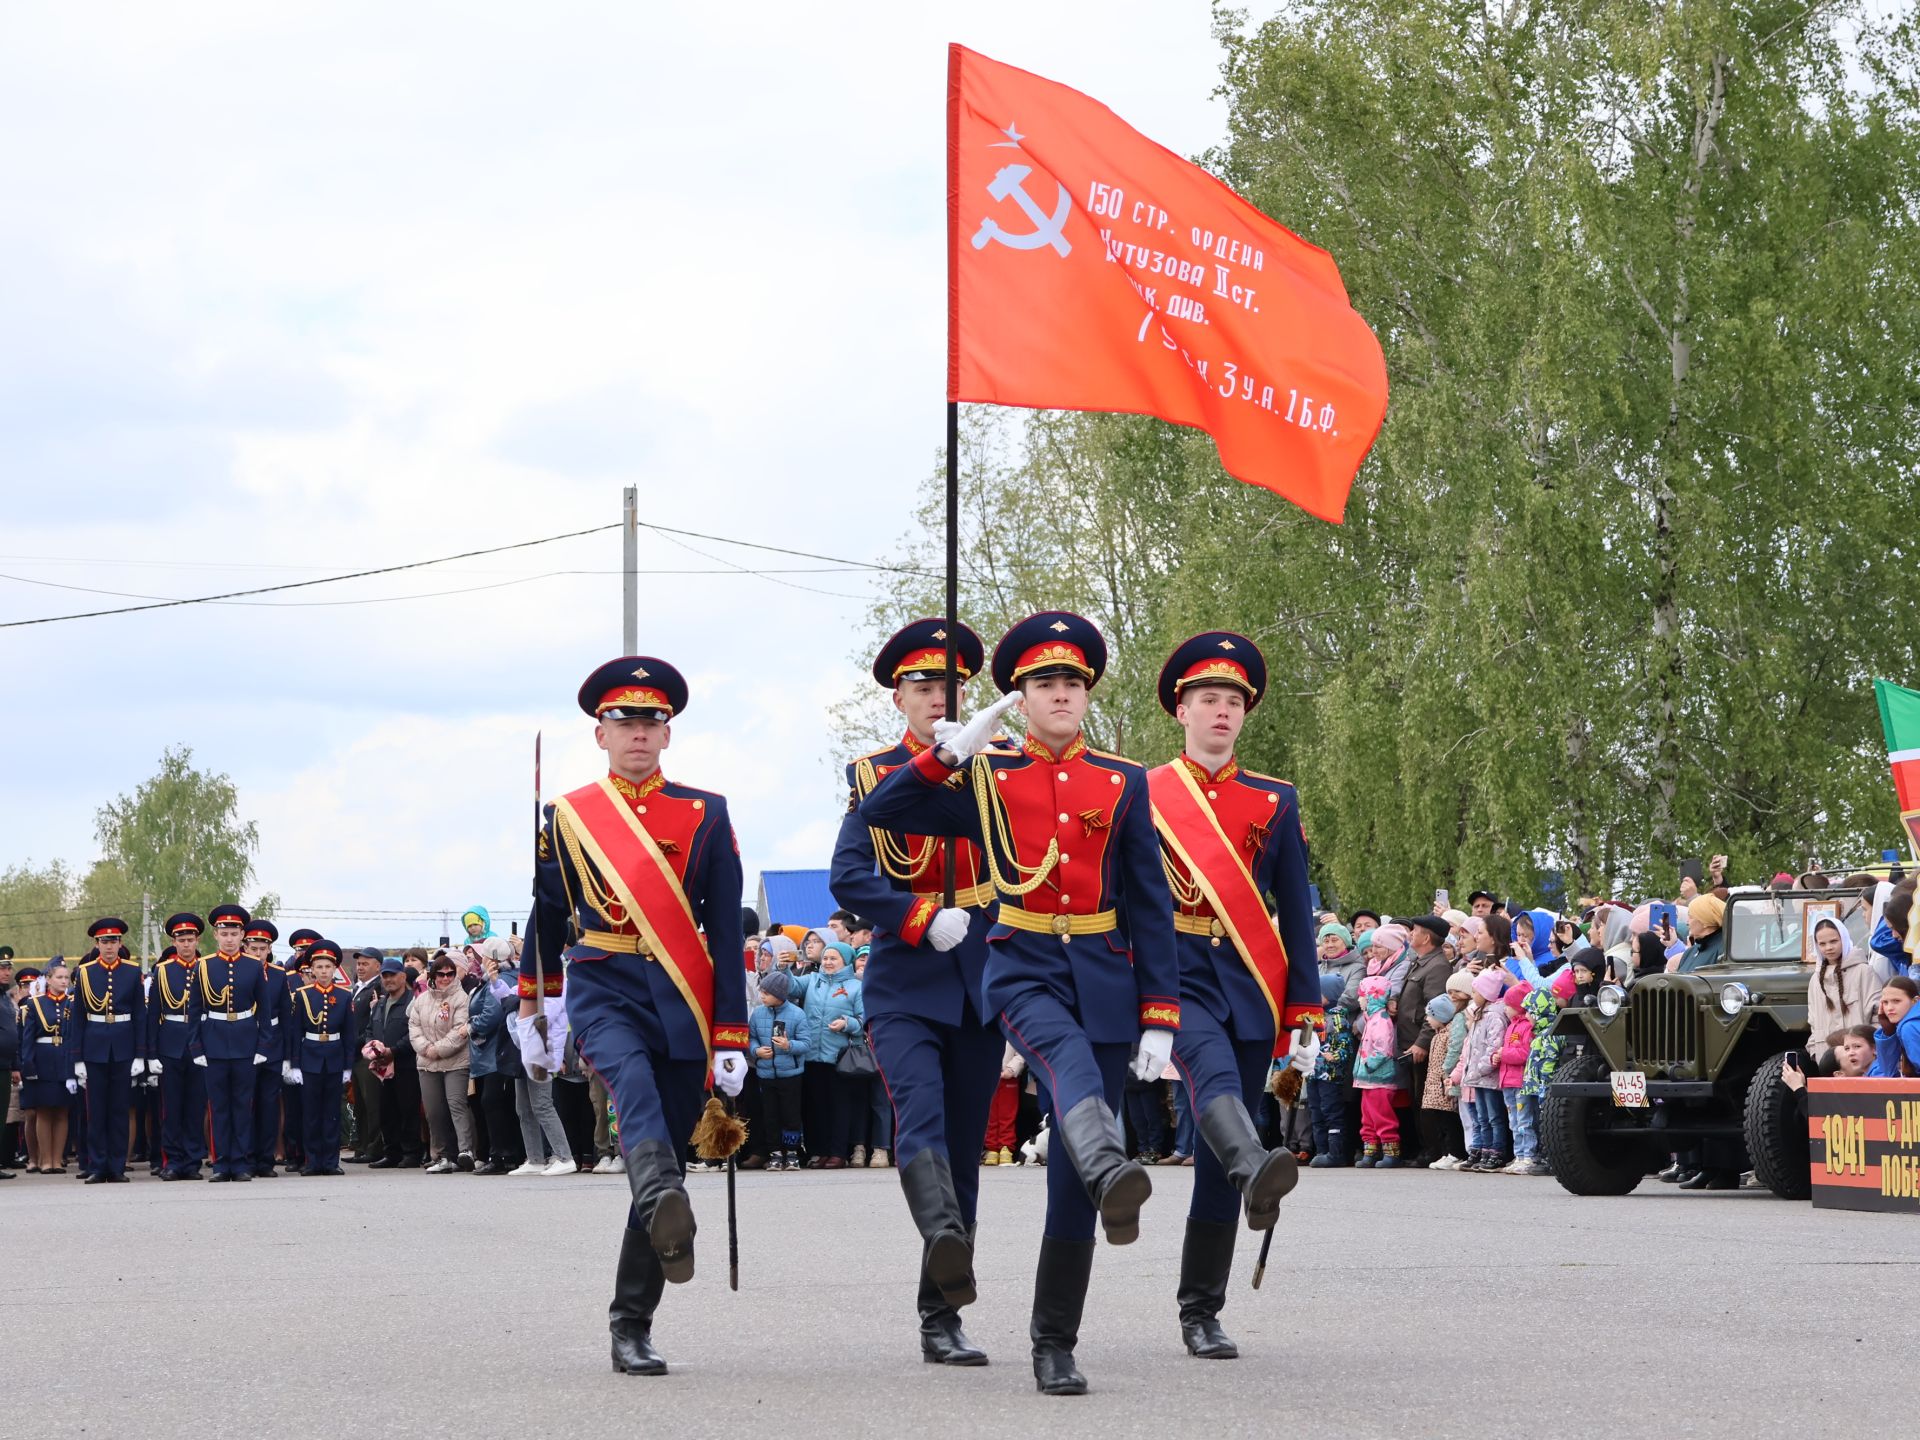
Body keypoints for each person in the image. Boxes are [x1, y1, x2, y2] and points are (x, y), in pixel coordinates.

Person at [857, 610, 1178, 1397]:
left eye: (1072, 682)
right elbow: (882, 814)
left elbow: (1149, 903)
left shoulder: (1123, 780)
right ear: (1019, 698)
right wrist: (946, 756)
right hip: (1020, 962)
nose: (1060, 694)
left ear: (1088, 693)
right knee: (1068, 1069)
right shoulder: (985, 774)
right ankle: (1110, 1160)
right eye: (1043, 683)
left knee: (1072, 1177)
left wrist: (1160, 1011)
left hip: (1102, 969)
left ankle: (1055, 1339)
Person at [514, 655, 747, 1377]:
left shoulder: (706, 811)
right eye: (625, 723)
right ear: (601, 734)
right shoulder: (571, 815)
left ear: (668, 735)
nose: (639, 734)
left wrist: (732, 1032)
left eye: (651, 722)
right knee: (634, 1096)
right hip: (603, 982)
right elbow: (548, 915)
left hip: (682, 992)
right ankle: (660, 1195)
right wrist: (533, 1005)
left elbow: (728, 930)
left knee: (666, 1158)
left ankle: (630, 1323)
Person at [827, 618, 1005, 1365]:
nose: (937, 697)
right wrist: (916, 916)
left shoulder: (1004, 771)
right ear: (899, 697)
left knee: (965, 1150)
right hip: (906, 982)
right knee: (920, 1121)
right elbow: (849, 875)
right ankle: (942, 1241)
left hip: (982, 986)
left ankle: (942, 1313)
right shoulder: (872, 776)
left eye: (949, 686)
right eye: (923, 686)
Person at [1145, 631, 1320, 1359]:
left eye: (1233, 702)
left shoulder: (1273, 800)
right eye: (1208, 699)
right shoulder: (1144, 791)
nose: (1221, 712)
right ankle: (1259, 1166)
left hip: (1251, 980)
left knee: (1220, 1150)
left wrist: (1306, 1009)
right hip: (1174, 974)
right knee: (1214, 1089)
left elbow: (1294, 906)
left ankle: (1201, 1310)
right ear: (1180, 709)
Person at [70, 918, 146, 1183]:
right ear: (97, 944)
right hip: (94, 1047)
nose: (109, 946)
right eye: (104, 942)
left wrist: (140, 1054)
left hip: (123, 1046)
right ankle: (97, 1165)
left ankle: (116, 1166)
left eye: (113, 941)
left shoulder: (132, 971)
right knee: (96, 1111)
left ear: (120, 943)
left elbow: (140, 1014)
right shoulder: (86, 972)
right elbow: (78, 1017)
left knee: (119, 1109)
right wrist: (77, 1058)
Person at [787, 939, 865, 1167]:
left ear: (846, 962)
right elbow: (789, 987)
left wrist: (847, 1023)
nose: (828, 962)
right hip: (811, 1054)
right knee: (814, 1106)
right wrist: (783, 968)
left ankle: (838, 1153)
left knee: (839, 1107)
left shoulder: (855, 986)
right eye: (826, 958)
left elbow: (864, 1019)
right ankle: (817, 1151)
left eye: (834, 959)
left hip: (839, 1057)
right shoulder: (812, 981)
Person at [149, 914, 208, 1180]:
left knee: (195, 1107)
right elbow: (153, 1015)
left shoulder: (207, 967)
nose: (186, 945)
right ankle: (172, 1161)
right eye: (181, 940)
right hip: (170, 1042)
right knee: (171, 1108)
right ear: (173, 942)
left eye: (190, 940)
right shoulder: (162, 971)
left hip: (199, 1043)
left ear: (197, 941)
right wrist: (150, 1054)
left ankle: (192, 1161)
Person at [229, 911, 288, 1178]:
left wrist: (287, 1056)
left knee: (268, 1104)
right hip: (243, 1041)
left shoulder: (277, 975)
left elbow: (286, 1016)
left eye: (263, 949)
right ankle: (245, 1156)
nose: (259, 953)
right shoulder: (236, 970)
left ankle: (265, 1159)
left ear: (270, 949)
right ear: (245, 946)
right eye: (254, 948)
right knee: (243, 1103)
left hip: (272, 1044)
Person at [287, 940, 354, 1174]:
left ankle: (331, 1162)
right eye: (319, 967)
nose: (324, 971)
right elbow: (295, 1033)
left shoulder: (344, 996)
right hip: (310, 1058)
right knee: (311, 1114)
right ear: (311, 970)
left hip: (334, 1058)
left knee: (332, 1113)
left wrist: (348, 1066)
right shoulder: (302, 995)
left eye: (328, 967)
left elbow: (348, 1033)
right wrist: (295, 1065)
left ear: (335, 969)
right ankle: (312, 1161)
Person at [410, 953, 475, 1172]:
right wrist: (426, 1049)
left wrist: (438, 1049)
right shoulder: (422, 999)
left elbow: (460, 1030)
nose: (445, 978)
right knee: (434, 1111)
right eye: (441, 974)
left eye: (450, 974)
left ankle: (466, 1151)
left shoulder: (462, 998)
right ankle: (442, 1156)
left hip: (456, 1061)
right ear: (432, 975)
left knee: (456, 1104)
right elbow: (414, 1028)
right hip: (426, 1062)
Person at [746, 969, 808, 1171]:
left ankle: (791, 1153)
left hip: (790, 1074)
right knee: (770, 1115)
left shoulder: (797, 1014)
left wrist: (788, 1045)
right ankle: (774, 1153)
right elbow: (751, 1038)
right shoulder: (758, 1013)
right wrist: (756, 1051)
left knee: (791, 1115)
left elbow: (806, 1043)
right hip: (765, 1074)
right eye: (761, 992)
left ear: (780, 994)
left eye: (766, 993)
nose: (762, 996)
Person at [364, 958, 423, 1169]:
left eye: (392, 975)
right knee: (386, 1111)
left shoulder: (413, 1002)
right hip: (382, 1066)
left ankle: (412, 1153)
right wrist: (372, 1048)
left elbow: (414, 1033)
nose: (388, 980)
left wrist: (394, 1050)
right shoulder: (380, 1003)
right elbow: (370, 1029)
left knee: (408, 1110)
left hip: (405, 1064)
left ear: (403, 976)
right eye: (385, 976)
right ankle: (392, 1153)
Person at [19, 963, 75, 1174]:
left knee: (62, 1110)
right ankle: (45, 1160)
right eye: (59, 977)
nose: (63, 981)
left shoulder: (73, 1003)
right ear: (48, 980)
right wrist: (28, 1065)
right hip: (43, 1060)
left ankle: (57, 1160)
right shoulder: (35, 1004)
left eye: (66, 978)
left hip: (65, 1058)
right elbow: (28, 1039)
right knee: (43, 1111)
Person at [1806, 916, 1880, 1072]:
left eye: (1834, 941)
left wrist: (1870, 1049)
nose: (1828, 948)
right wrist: (1815, 1051)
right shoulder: (1815, 979)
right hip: (1828, 1063)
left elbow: (1878, 1014)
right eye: (1822, 944)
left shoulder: (1863, 971)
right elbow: (1813, 1021)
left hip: (1864, 1064)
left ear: (1844, 939)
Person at [468, 953, 517, 1175]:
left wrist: (470, 1025)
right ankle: (503, 1154)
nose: (479, 960)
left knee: (493, 1102)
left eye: (483, 955)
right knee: (496, 1103)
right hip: (489, 1053)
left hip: (496, 1051)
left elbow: (492, 1014)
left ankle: (502, 1155)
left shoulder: (501, 980)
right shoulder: (488, 981)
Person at [347, 947, 386, 1162]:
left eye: (365, 964)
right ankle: (361, 1147)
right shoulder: (357, 988)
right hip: (354, 1053)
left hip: (367, 1053)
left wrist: (362, 1042)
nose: (360, 967)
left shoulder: (377, 987)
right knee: (360, 1103)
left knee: (372, 1103)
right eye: (359, 964)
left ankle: (374, 1148)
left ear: (377, 966)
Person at [1869, 976, 1920, 1077]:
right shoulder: (1906, 1025)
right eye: (1885, 1002)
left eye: (1896, 1001)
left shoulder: (1908, 1027)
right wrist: (1888, 1033)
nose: (1889, 1008)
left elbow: (1887, 1072)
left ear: (1915, 1001)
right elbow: (1887, 1072)